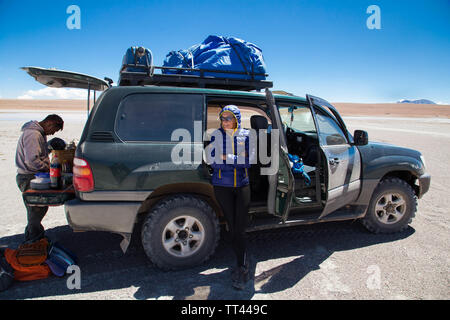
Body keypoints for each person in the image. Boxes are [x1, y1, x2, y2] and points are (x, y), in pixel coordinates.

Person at [206, 105, 255, 290]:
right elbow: (213, 161)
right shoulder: (215, 135)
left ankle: (243, 266)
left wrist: (227, 157)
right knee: (232, 226)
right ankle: (239, 262)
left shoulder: (247, 135)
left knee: (240, 228)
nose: (225, 121)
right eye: (223, 118)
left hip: (242, 186)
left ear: (236, 119)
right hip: (222, 187)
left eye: (229, 118)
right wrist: (235, 160)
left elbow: (249, 161)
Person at [15, 114, 64, 243]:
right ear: (49, 123)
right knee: (36, 208)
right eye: (53, 130)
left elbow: (37, 153)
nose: (53, 133)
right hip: (29, 177)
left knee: (37, 208)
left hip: (31, 175)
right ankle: (34, 241)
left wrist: (48, 147)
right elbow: (31, 160)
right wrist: (49, 168)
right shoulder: (33, 135)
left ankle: (33, 237)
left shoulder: (38, 134)